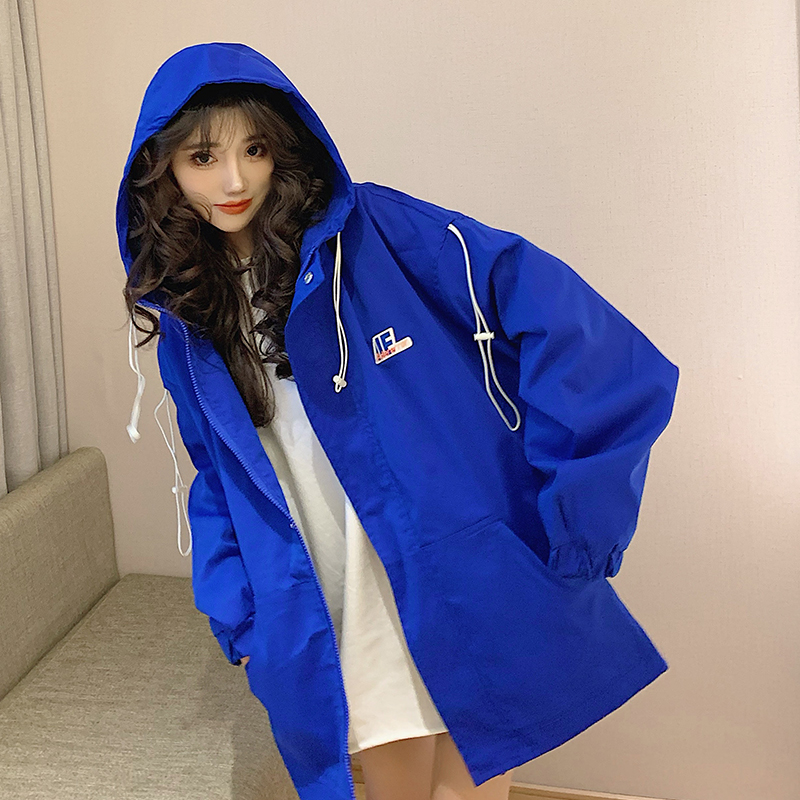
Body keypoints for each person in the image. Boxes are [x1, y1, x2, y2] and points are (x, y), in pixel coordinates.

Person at [116, 42, 679, 800]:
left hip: (453, 562)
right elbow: (217, 477)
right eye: (202, 157)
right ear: (164, 171)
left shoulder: (379, 232)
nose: (235, 181)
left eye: (254, 149)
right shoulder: (189, 323)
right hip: (335, 591)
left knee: (475, 780)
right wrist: (239, 613)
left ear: (284, 146)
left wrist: (579, 516)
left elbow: (586, 341)